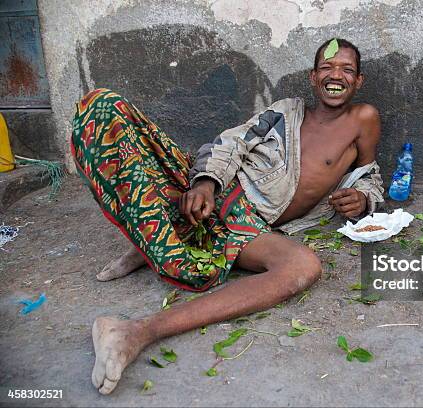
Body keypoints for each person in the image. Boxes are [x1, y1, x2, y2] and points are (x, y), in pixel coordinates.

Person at [71, 38, 384, 395]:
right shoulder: (284, 112)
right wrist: (205, 184)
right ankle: (164, 234)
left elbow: (369, 174)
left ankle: (136, 330)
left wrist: (363, 199)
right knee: (106, 106)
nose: (336, 75)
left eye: (346, 69)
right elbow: (233, 142)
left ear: (358, 81)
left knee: (303, 268)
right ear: (313, 77)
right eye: (327, 67)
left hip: (249, 227)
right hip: (218, 194)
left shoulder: (364, 119)